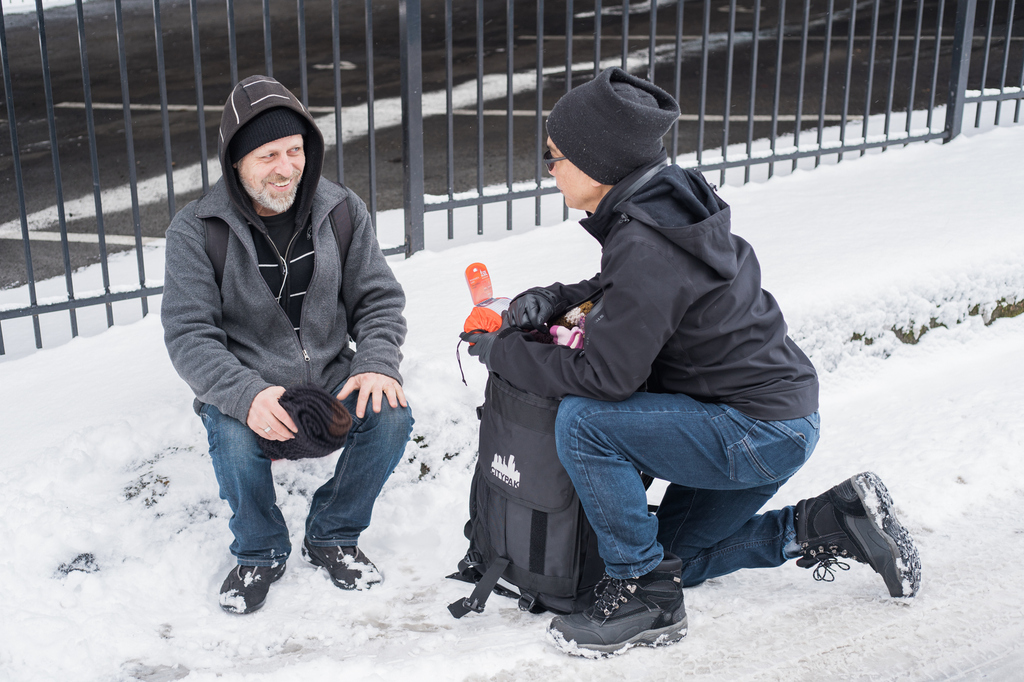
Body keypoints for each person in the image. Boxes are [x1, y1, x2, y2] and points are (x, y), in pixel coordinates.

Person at [460, 67, 921, 656]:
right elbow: (627, 287)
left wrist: (505, 355)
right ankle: (834, 521)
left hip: (754, 429)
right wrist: (556, 299)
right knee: (682, 556)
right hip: (776, 417)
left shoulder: (646, 242)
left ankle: (646, 598)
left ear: (595, 161)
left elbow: (607, 378)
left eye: (553, 156)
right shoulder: (660, 206)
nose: (548, 168)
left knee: (584, 424)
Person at [162, 75, 412, 614]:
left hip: (327, 374)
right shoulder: (196, 230)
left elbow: (379, 300)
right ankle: (260, 550)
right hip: (245, 380)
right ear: (235, 162)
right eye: (267, 154)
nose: (286, 167)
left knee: (391, 414)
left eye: (295, 150)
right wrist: (244, 394)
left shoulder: (341, 210)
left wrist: (376, 363)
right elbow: (189, 333)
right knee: (231, 438)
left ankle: (332, 534)